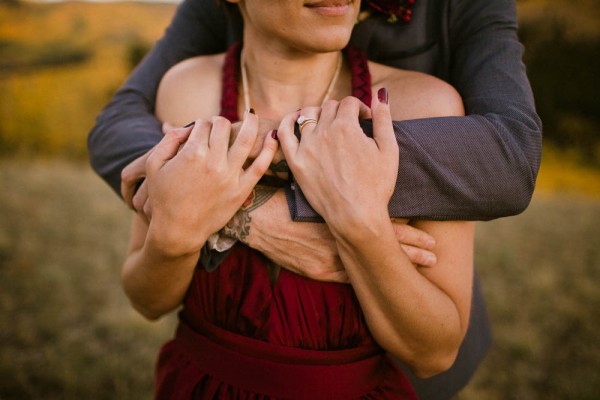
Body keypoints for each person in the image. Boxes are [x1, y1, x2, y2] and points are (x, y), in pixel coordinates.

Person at [89, 0, 542, 398]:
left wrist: (360, 228)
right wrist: (176, 235)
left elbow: (434, 352)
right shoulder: (183, 90)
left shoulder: (426, 106)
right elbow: (147, 300)